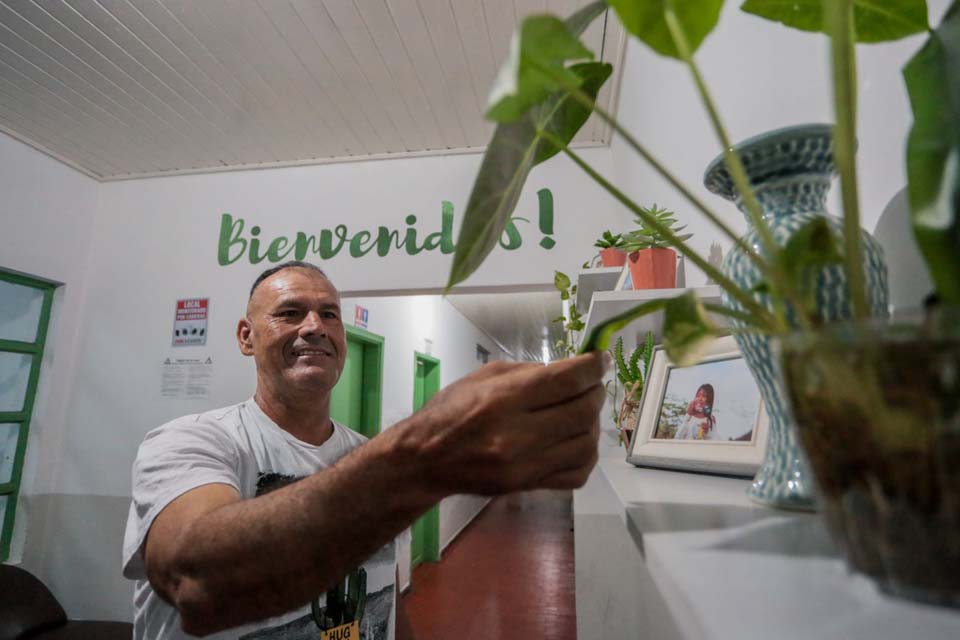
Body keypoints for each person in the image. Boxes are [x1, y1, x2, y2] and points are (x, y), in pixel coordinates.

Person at [122, 261, 607, 639]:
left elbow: (383, 595)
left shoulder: (363, 452)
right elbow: (197, 582)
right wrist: (421, 458)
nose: (314, 326)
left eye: (329, 314)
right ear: (246, 337)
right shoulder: (191, 441)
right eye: (290, 313)